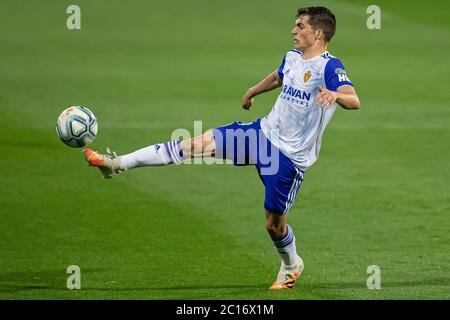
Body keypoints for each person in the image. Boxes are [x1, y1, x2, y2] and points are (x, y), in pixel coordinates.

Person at [83, 6, 360, 290]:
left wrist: (335, 94)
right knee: (192, 145)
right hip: (260, 134)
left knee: (273, 224)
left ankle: (291, 264)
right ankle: (115, 164)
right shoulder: (292, 57)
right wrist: (254, 90)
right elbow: (279, 76)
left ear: (318, 32)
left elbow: (354, 100)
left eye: (300, 26)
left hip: (288, 159)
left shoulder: (329, 66)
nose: (294, 30)